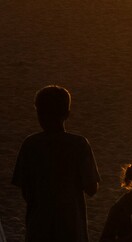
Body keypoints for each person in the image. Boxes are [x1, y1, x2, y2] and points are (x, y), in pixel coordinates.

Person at [12, 85, 101, 242]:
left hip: (38, 226)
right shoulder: (79, 144)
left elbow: (25, 189)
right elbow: (92, 188)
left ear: (38, 113)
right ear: (67, 114)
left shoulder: (30, 144)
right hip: (71, 227)